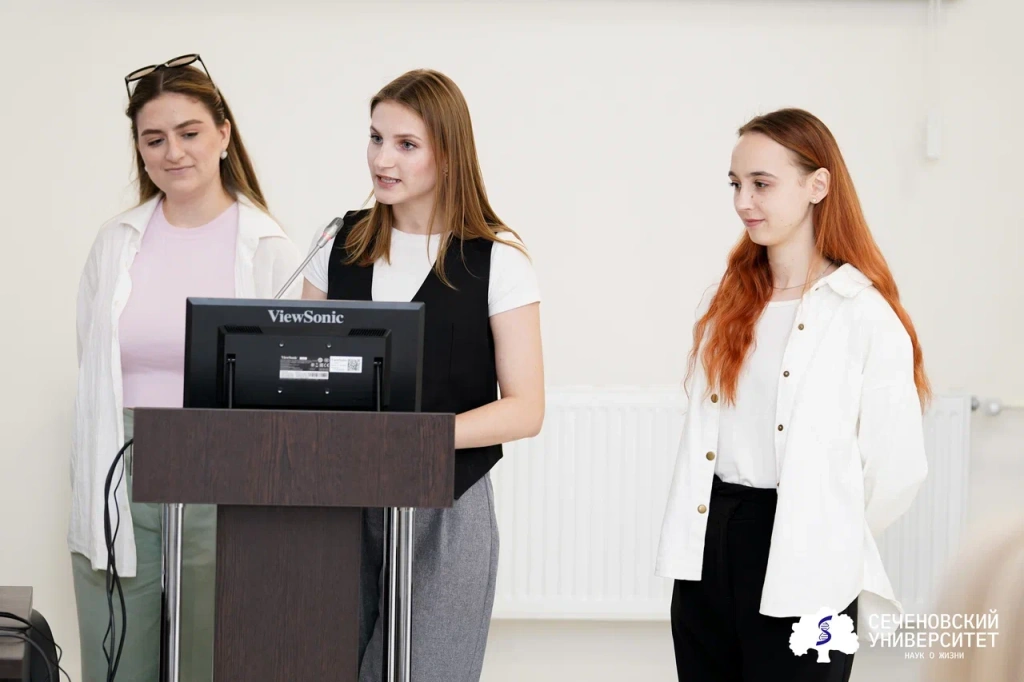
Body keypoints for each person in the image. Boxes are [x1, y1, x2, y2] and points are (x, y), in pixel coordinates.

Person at [655, 108, 930, 681]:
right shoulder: (728, 306)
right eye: (736, 184)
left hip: (809, 557)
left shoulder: (863, 314)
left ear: (817, 186)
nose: (743, 202)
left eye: (762, 184)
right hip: (711, 546)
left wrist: (826, 528)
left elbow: (896, 468)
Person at [302, 68, 545, 682]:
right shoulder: (337, 245)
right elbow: (300, 372)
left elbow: (525, 408)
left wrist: (415, 438)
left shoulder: (498, 261)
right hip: (340, 501)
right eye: (376, 138)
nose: (382, 159)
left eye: (406, 144)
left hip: (447, 507)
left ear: (448, 153)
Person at [69, 54, 301, 682]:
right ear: (140, 152)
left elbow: (294, 380)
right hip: (120, 462)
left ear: (223, 134)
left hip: (223, 466)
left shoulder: (270, 248)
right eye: (154, 139)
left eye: (189, 132)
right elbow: (93, 361)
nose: (173, 152)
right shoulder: (115, 242)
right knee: (117, 659)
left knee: (211, 656)